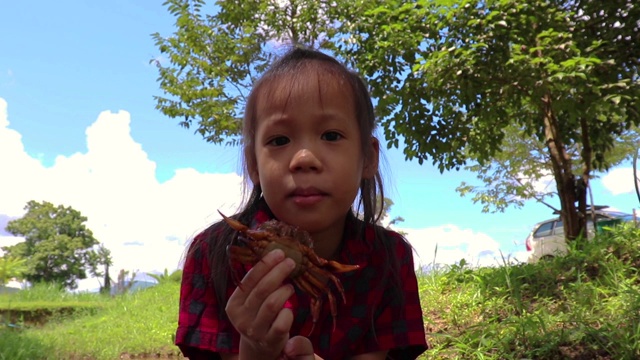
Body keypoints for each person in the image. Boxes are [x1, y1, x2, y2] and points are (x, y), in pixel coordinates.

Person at [175, 46, 428, 360]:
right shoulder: (213, 254)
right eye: (279, 140)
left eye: (331, 135)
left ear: (368, 157)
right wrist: (254, 350)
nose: (304, 159)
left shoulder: (387, 258)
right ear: (253, 165)